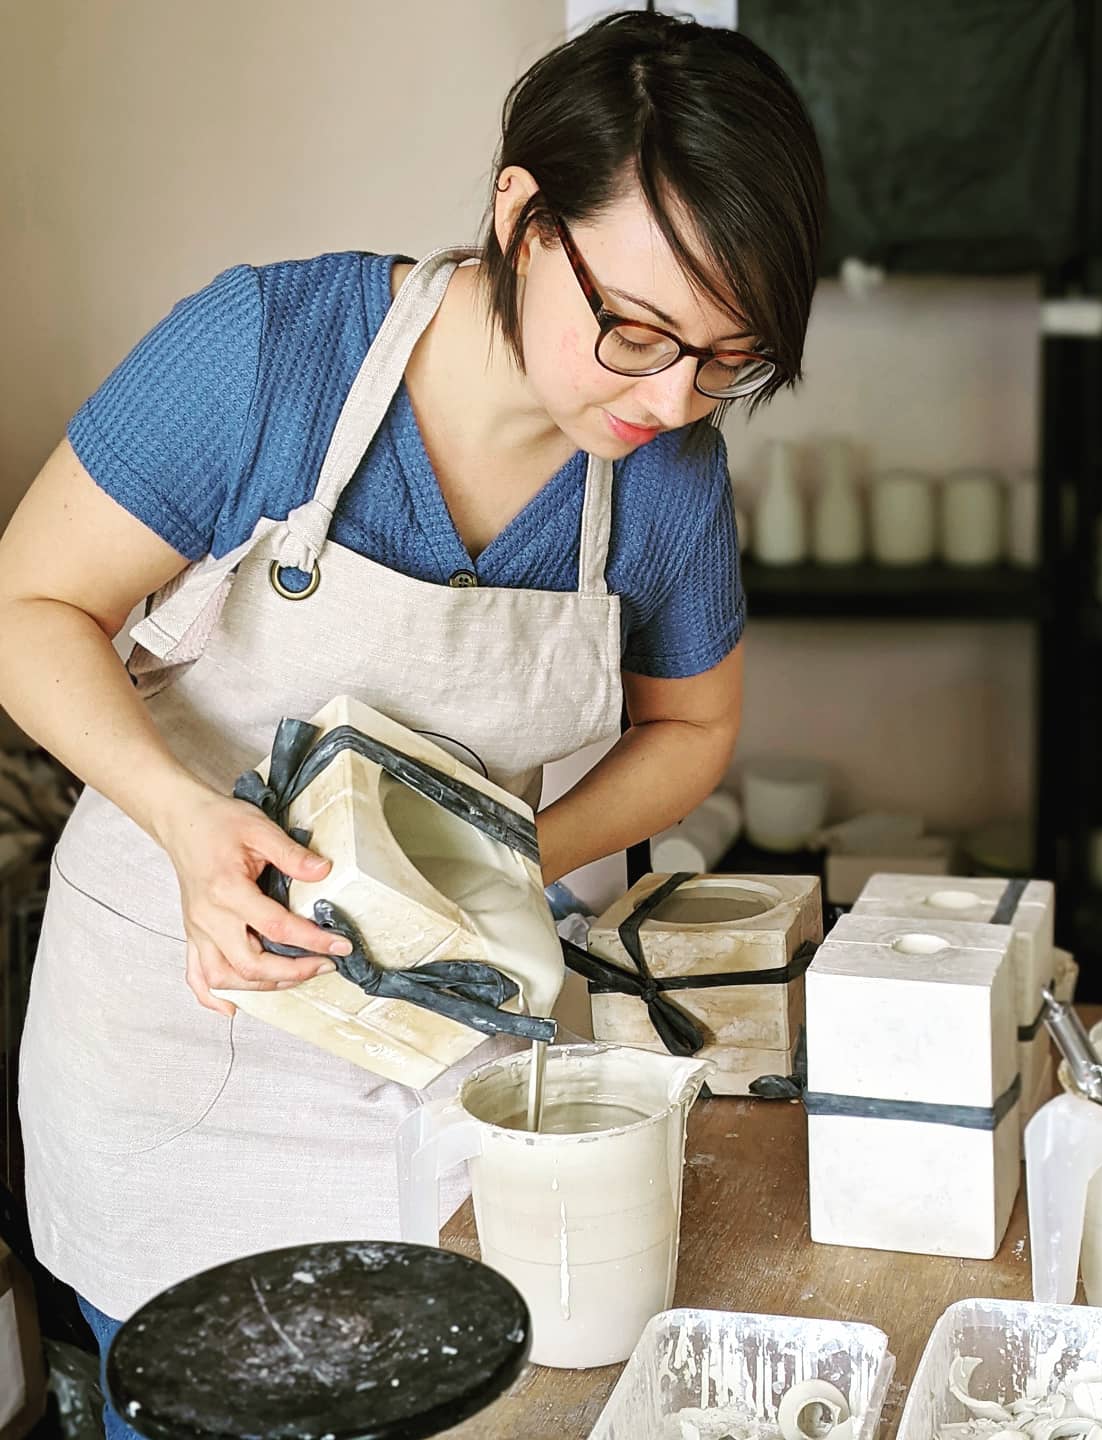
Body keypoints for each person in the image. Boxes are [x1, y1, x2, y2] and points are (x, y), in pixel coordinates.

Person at [0, 11, 823, 1434]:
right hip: (183, 1056)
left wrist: (499, 863)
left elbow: (692, 729)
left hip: (450, 1063)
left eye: (724, 359)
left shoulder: (667, 482)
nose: (671, 396)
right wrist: (190, 821)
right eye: (635, 330)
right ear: (520, 211)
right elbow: (26, 611)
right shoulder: (269, 355)